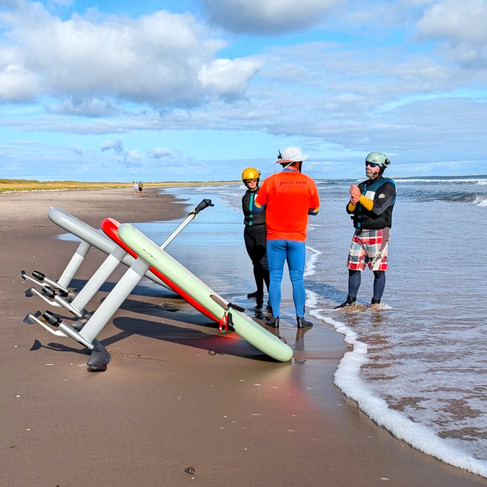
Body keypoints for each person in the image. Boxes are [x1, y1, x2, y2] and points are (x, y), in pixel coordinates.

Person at [255, 146, 320, 328]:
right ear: (298, 162)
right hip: (297, 238)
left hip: (275, 237)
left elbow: (257, 206)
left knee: (275, 278)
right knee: (297, 279)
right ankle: (300, 319)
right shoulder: (308, 182)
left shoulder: (270, 181)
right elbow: (315, 209)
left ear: (283, 162)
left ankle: (275, 318)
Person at [336, 151, 396, 309]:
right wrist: (354, 200)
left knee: (377, 269)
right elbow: (349, 209)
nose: (368, 167)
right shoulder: (362, 186)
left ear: (381, 167)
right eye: (367, 164)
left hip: (378, 232)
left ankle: (375, 304)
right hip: (359, 232)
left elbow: (377, 209)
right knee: (353, 267)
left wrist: (360, 197)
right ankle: (350, 301)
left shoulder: (388, 185)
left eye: (372, 164)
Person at [241, 167, 270, 309]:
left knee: (264, 264)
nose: (252, 183)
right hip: (249, 232)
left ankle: (272, 294)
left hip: (262, 231)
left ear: (257, 180)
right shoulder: (245, 197)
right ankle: (259, 292)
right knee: (255, 264)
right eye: (249, 181)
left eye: (254, 180)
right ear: (245, 182)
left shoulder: (265, 194)